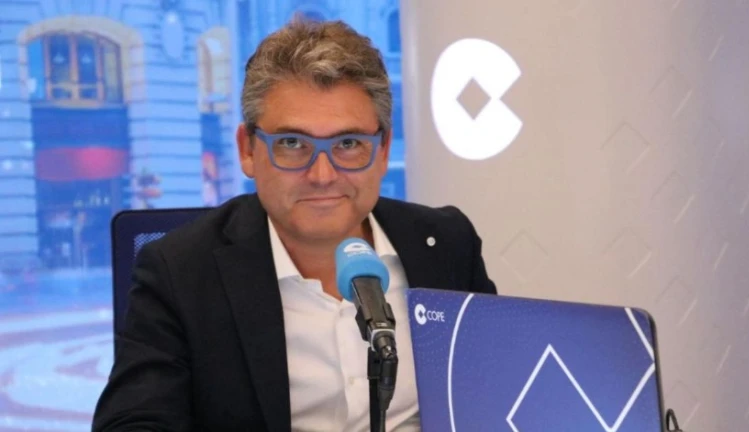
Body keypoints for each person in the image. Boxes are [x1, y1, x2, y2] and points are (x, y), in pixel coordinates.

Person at [92, 19, 496, 432]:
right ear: (248, 150)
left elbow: (498, 391)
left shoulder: (447, 244)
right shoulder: (179, 271)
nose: (322, 175)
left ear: (382, 150)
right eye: (292, 144)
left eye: (348, 144)